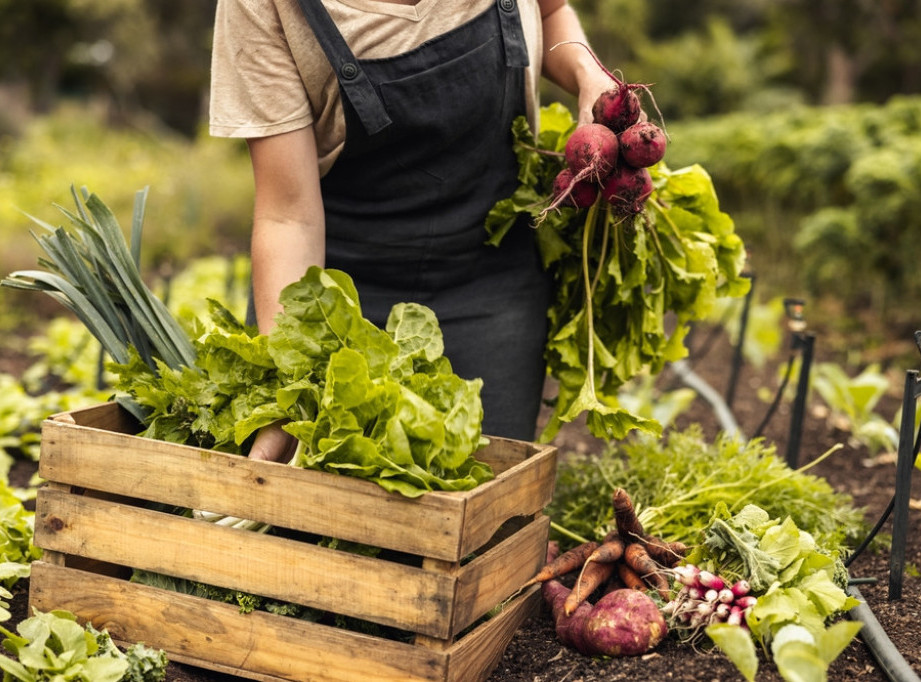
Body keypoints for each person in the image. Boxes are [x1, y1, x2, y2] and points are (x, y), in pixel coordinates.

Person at [209, 0, 613, 461]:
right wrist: (289, 381)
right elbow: (288, 217)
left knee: (486, 493)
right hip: (341, 309)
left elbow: (550, 11)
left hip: (493, 285)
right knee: (322, 500)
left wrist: (589, 74)